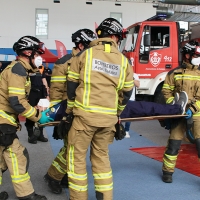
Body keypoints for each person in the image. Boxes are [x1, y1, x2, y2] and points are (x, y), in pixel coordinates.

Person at [66, 18, 134, 200]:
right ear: (113, 36)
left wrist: (68, 113)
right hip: (108, 122)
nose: (118, 42)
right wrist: (117, 113)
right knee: (101, 159)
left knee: (77, 160)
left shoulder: (83, 56)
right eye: (119, 38)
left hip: (83, 120)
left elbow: (71, 87)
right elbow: (126, 92)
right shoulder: (124, 61)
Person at [43, 29, 97, 194]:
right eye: (89, 46)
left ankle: (62, 175)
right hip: (69, 111)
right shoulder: (64, 62)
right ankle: (54, 176)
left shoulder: (90, 60)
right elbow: (56, 92)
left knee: (73, 147)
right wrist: (61, 117)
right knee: (71, 148)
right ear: (80, 45)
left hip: (84, 111)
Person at [0, 35, 54, 200]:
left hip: (4, 119)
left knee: (1, 162)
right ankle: (26, 195)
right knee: (18, 156)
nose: (40, 58)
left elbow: (18, 100)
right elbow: (17, 102)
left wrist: (33, 108)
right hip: (3, 122)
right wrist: (38, 116)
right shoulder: (18, 70)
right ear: (28, 52)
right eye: (37, 54)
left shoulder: (19, 69)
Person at [161, 40, 200, 184]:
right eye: (195, 54)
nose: (197, 57)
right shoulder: (174, 73)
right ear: (187, 55)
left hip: (197, 115)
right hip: (178, 114)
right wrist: (174, 107)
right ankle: (167, 172)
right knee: (174, 144)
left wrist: (192, 109)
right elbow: (166, 91)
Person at [25, 63, 49, 144]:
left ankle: (40, 135)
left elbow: (44, 80)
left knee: (41, 113)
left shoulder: (41, 67)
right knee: (30, 113)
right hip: (31, 93)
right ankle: (31, 136)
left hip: (41, 93)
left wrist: (47, 94)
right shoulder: (27, 67)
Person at [124, 73, 140, 138]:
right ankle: (116, 130)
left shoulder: (135, 75)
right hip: (120, 97)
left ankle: (126, 131)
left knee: (128, 115)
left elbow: (138, 85)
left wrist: (132, 78)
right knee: (117, 115)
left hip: (130, 98)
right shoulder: (121, 73)